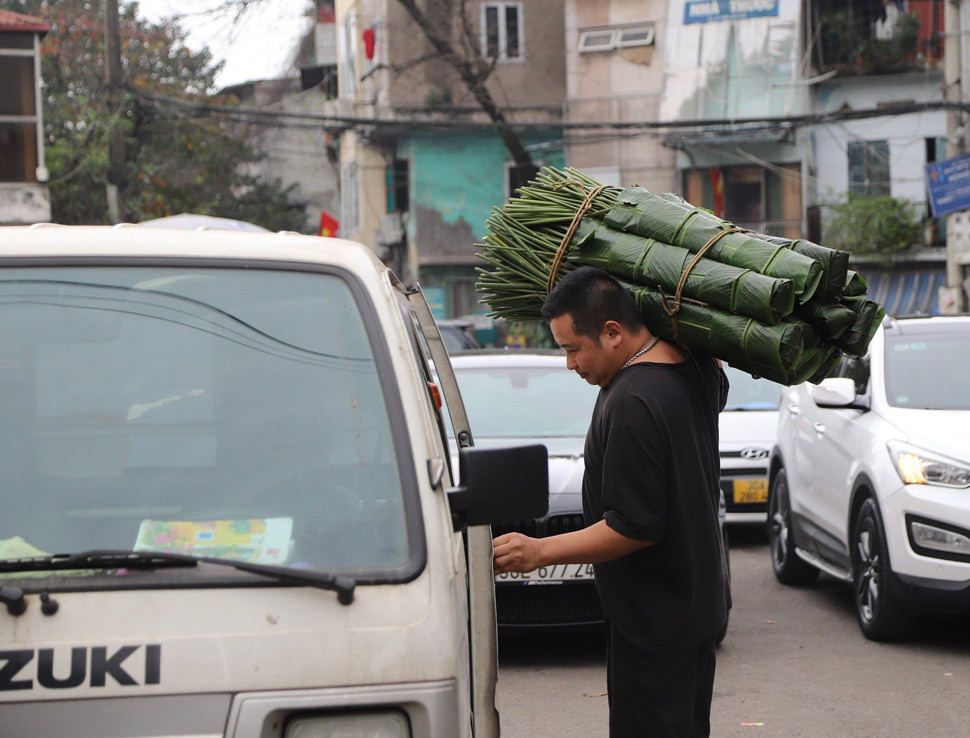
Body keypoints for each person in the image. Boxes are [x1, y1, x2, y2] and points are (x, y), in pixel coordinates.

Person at [492, 266, 729, 738]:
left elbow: (633, 526)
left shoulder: (633, 402)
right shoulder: (693, 366)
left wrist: (538, 552)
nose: (569, 364)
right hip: (692, 610)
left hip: (656, 626)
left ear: (613, 332)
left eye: (572, 349)